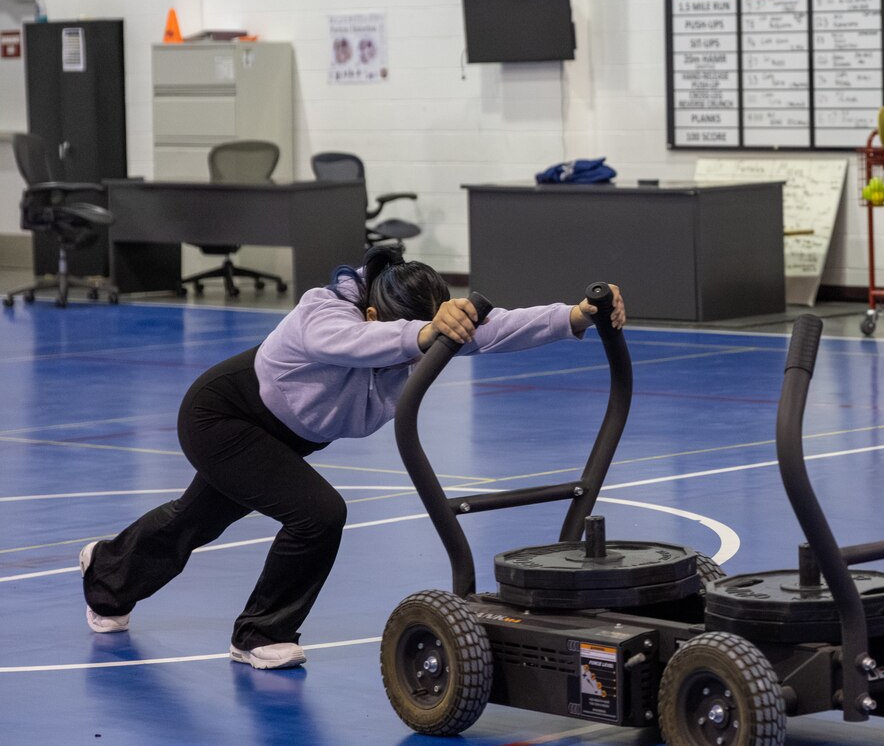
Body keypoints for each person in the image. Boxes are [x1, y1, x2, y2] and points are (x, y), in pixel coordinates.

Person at [78, 246, 625, 668]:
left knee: (196, 519)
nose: (429, 343)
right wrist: (426, 331)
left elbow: (493, 328)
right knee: (317, 513)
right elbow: (348, 344)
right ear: (370, 311)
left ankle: (108, 571)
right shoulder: (320, 313)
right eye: (419, 332)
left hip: (285, 435)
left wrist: (576, 315)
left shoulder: (410, 328)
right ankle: (261, 635)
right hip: (224, 417)